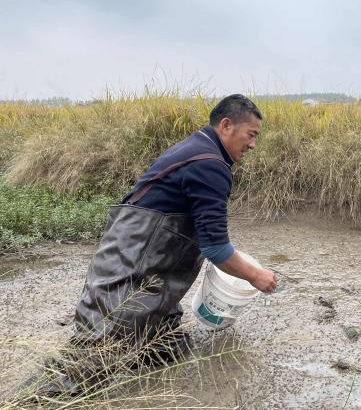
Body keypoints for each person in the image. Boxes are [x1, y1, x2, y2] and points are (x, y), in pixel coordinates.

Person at [73, 93, 277, 359]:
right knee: (91, 359)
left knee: (166, 347)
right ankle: (39, 401)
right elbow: (216, 249)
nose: (253, 144)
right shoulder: (210, 165)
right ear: (226, 126)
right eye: (251, 134)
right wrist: (256, 275)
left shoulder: (196, 147)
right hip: (130, 268)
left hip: (137, 260)